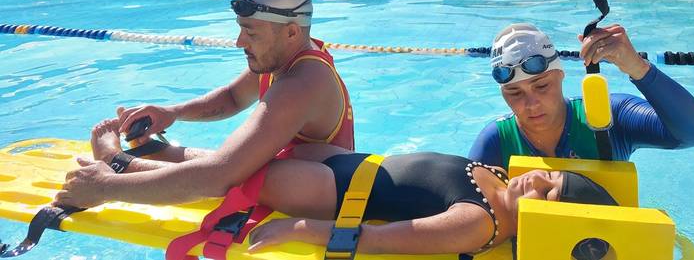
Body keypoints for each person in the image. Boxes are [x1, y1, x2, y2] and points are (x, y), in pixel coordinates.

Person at [58, 122, 616, 257]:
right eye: (551, 175)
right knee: (228, 160)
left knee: (226, 180)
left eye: (549, 192)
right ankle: (155, 152)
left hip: (332, 192)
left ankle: (115, 173)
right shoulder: (500, 177)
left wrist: (297, 228)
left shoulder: (479, 223)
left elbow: (387, 238)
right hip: (353, 163)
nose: (538, 178)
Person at [55, 0, 355, 206]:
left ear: (291, 32)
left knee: (224, 169)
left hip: (317, 198)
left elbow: (217, 178)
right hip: (290, 176)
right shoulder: (282, 57)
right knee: (226, 161)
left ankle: (116, 162)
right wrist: (173, 112)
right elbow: (233, 97)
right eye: (240, 30)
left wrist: (105, 188)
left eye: (251, 33)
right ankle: (137, 155)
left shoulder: (302, 82)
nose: (239, 42)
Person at [469, 23, 694, 168]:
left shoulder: (610, 117)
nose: (531, 104)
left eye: (542, 86)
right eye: (514, 93)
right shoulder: (496, 142)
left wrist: (638, 68)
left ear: (560, 76)